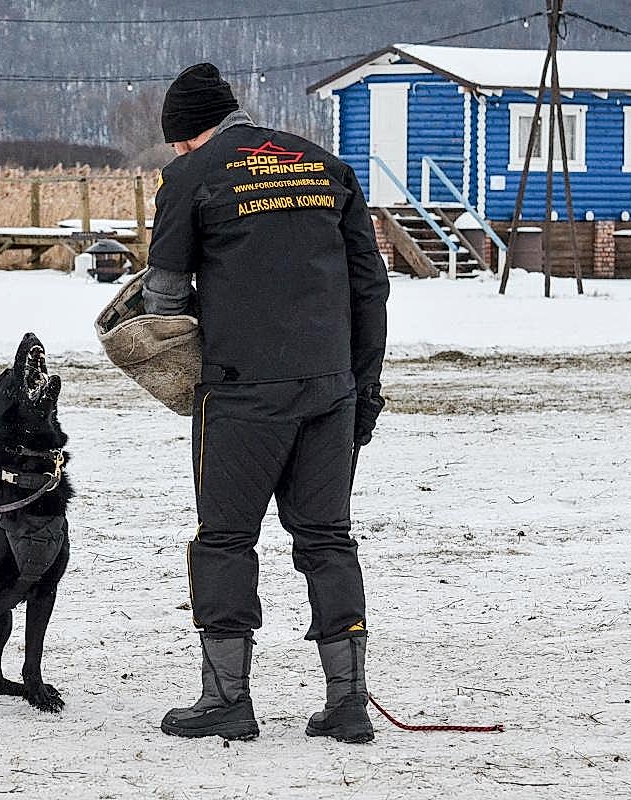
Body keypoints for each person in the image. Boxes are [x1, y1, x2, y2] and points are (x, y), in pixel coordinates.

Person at [143, 63, 389, 742]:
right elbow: (370, 289)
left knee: (225, 541)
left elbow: (163, 300)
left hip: (241, 390)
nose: (176, 151)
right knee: (327, 539)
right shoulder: (327, 167)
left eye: (177, 141)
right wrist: (363, 389)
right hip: (331, 386)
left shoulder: (190, 177)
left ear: (189, 133)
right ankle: (348, 703)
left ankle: (227, 699)